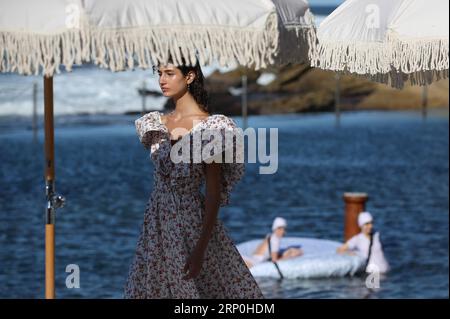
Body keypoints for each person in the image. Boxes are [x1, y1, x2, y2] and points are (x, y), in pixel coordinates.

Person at [124, 55, 264, 298]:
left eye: (169, 73)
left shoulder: (211, 128)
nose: (161, 80)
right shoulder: (156, 124)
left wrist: (201, 248)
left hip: (190, 222)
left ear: (189, 76)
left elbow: (212, 193)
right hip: (156, 221)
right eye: (159, 73)